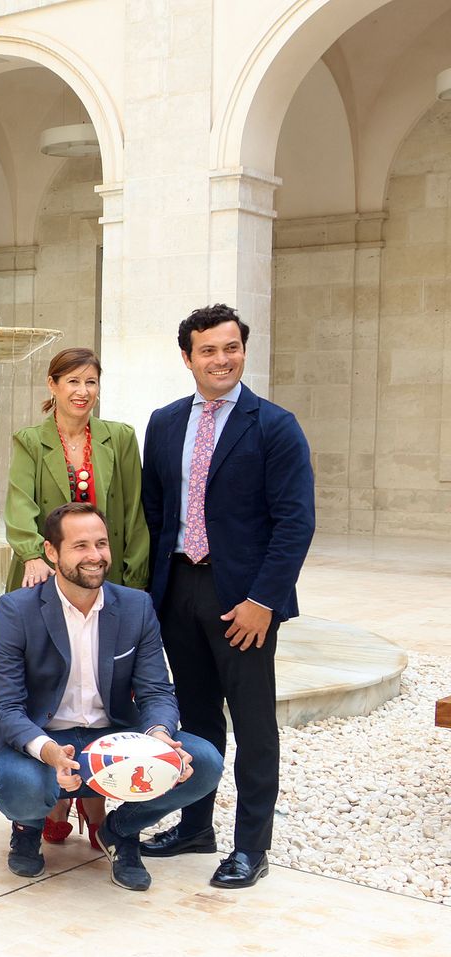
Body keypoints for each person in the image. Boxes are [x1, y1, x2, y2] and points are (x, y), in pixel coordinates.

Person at [139, 303, 315, 890]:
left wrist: (264, 601)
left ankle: (251, 846)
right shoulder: (164, 423)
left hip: (244, 600)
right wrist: (153, 598)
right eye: (209, 350)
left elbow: (295, 522)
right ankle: (195, 827)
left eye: (231, 347)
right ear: (187, 357)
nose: (222, 359)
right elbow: (156, 512)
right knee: (195, 718)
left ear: (243, 350)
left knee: (254, 724)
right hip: (178, 590)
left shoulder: (275, 425)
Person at [0, 502, 224, 891]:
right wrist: (48, 752)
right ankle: (27, 827)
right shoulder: (18, 610)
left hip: (112, 738)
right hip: (47, 739)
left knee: (206, 762)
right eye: (80, 546)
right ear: (51, 552)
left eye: (101, 543)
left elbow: (156, 690)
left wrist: (160, 736)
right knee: (18, 784)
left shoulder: (135, 606)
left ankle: (120, 830)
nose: (95, 556)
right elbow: (5, 706)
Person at [2, 346, 149, 847]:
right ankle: (52, 798)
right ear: (52, 385)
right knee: (51, 687)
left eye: (90, 381)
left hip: (103, 579)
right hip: (43, 577)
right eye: (72, 381)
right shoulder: (30, 441)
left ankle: (96, 801)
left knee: (101, 687)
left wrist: (133, 585)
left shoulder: (120, 438)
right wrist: (34, 553)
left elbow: (132, 515)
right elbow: (19, 507)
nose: (82, 392)